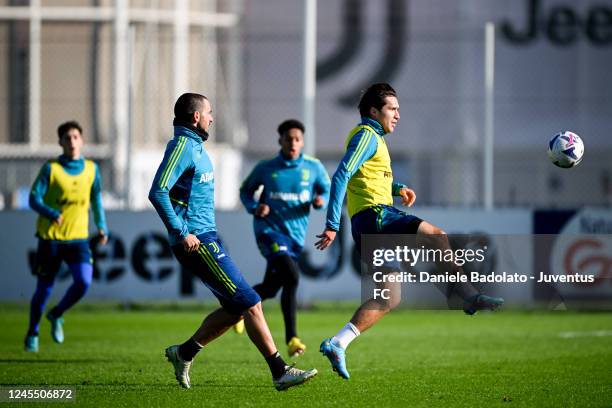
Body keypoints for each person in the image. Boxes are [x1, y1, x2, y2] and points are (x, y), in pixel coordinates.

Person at [314, 83, 504, 379]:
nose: (398, 115)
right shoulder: (367, 135)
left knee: (388, 298)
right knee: (437, 235)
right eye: (393, 109)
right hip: (377, 217)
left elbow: (366, 177)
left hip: (368, 224)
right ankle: (466, 295)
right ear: (374, 111)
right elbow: (341, 175)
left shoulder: (371, 137)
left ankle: (338, 343)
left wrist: (396, 187)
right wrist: (331, 224)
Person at [148, 93, 317, 391]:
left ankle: (184, 352)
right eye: (209, 112)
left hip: (207, 237)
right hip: (197, 241)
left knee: (236, 308)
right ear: (196, 117)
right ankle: (280, 371)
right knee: (252, 301)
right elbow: (158, 191)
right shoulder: (184, 146)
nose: (212, 117)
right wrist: (181, 232)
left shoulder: (195, 146)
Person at [239, 119, 330, 357]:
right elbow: (245, 191)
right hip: (268, 231)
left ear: (302, 142)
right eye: (288, 138)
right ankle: (292, 339)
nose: (293, 142)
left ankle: (238, 306)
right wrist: (254, 207)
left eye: (297, 139)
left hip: (295, 238)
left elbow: (326, 189)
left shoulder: (313, 167)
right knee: (292, 275)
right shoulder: (266, 168)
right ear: (280, 140)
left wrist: (321, 201)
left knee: (270, 288)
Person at [25, 120, 108, 353]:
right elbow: (34, 199)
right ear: (60, 142)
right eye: (67, 138)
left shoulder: (92, 169)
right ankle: (32, 332)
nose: (72, 141)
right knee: (44, 289)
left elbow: (96, 200)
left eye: (75, 137)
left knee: (83, 282)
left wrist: (102, 227)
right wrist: (51, 213)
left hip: (78, 239)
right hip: (50, 238)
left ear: (81, 140)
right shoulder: (51, 169)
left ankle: (57, 313)